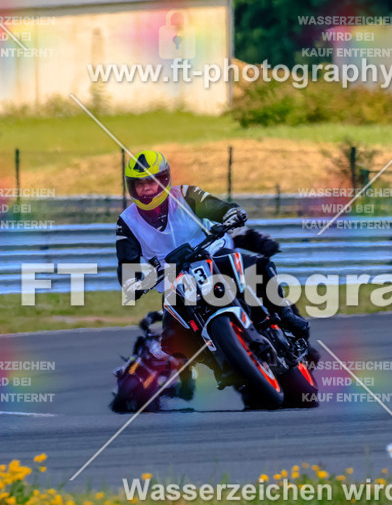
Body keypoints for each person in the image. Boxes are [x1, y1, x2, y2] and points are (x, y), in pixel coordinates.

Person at [114, 150, 308, 394]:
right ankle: (221, 365)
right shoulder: (126, 221)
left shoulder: (185, 194)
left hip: (212, 254)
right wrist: (133, 283)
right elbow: (126, 262)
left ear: (164, 180)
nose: (145, 190)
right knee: (171, 340)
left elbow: (216, 207)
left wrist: (230, 213)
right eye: (138, 184)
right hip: (174, 279)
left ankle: (285, 313)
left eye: (150, 182)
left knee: (259, 265)